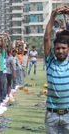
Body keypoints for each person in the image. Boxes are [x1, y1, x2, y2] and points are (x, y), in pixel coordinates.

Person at [44, 5, 69, 134]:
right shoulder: (49, 62)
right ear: (54, 49)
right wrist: (53, 16)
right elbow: (46, 38)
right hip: (52, 115)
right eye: (58, 48)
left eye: (63, 48)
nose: (60, 51)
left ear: (68, 49)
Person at [0, 32, 8, 102]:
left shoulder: (3, 55)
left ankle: (3, 96)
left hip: (3, 71)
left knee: (2, 86)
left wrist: (2, 39)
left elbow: (4, 47)